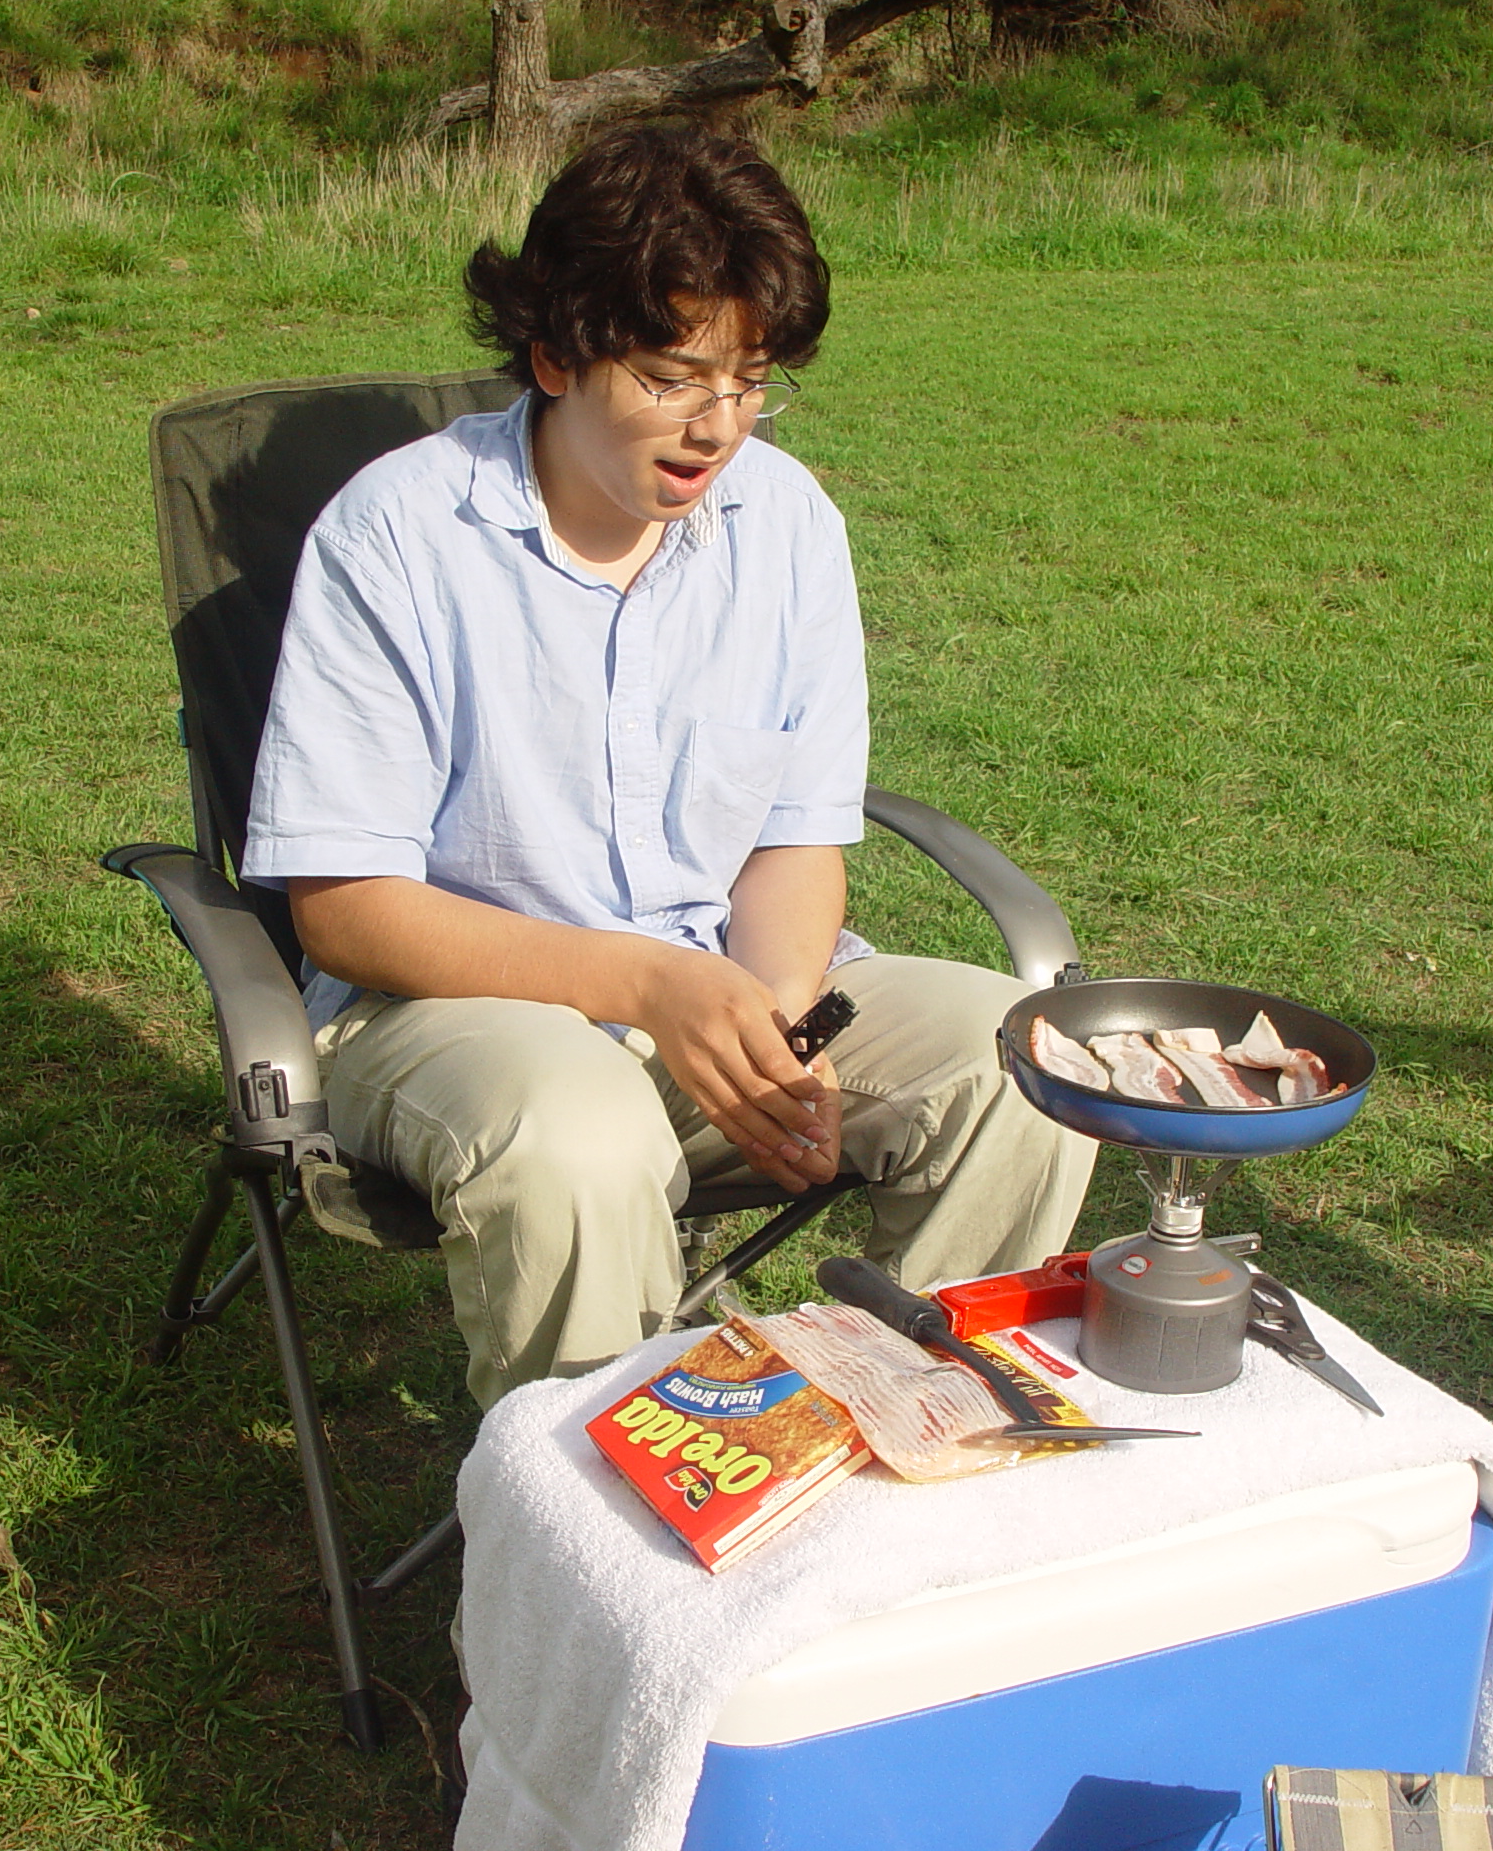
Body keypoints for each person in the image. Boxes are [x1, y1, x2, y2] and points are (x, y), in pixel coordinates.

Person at [241, 125, 1094, 1408]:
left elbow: (795, 833)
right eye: (671, 377)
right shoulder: (398, 536)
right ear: (554, 355)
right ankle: (594, 1569)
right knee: (578, 1133)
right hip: (458, 1017)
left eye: (752, 383)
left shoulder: (787, 521)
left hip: (716, 984)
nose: (720, 428)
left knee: (1025, 1062)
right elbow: (346, 908)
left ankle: (916, 1451)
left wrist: (785, 1026)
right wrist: (653, 984)